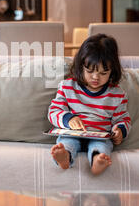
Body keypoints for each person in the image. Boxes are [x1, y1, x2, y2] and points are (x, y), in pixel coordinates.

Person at [48, 34, 131, 175]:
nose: (95, 77)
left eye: (103, 73)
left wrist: (120, 131)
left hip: (99, 135)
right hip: (73, 133)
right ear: (81, 67)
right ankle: (65, 157)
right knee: (67, 141)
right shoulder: (68, 86)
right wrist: (68, 119)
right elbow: (54, 111)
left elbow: (123, 119)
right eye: (89, 71)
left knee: (102, 146)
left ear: (112, 72)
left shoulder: (117, 94)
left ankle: (98, 160)